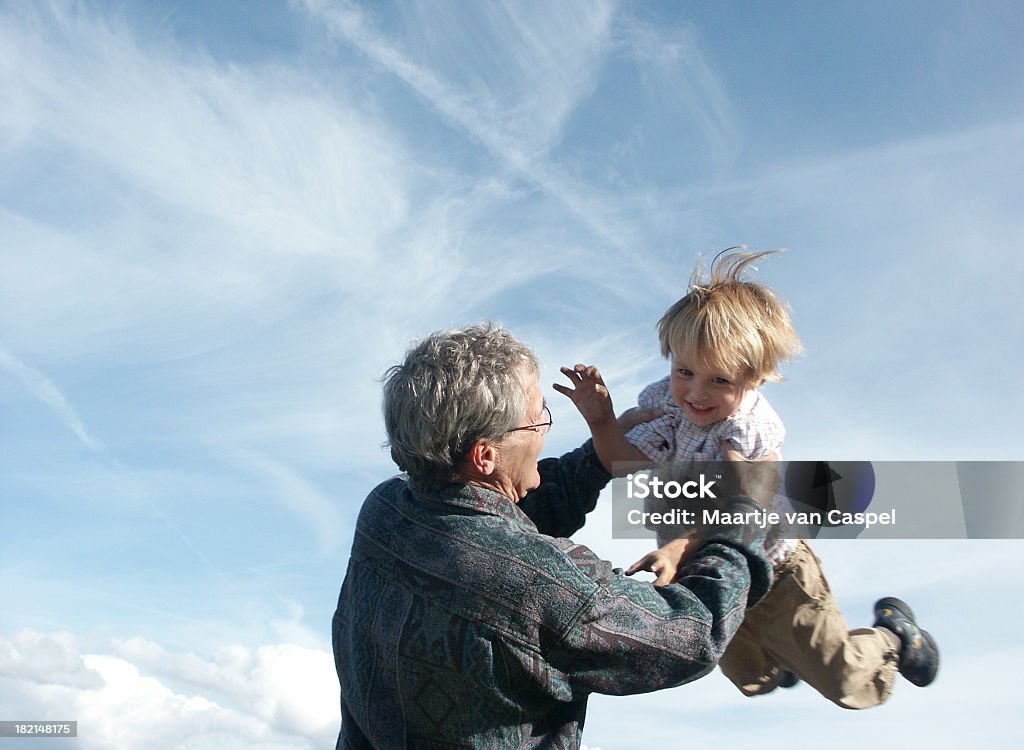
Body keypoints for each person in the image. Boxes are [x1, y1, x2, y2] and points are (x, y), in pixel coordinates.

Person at [332, 323, 778, 749]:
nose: (545, 430)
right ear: (485, 455)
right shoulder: (546, 587)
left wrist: (602, 450)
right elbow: (693, 634)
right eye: (537, 419)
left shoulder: (386, 511)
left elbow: (497, 524)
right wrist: (745, 511)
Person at [609, 249, 939, 709]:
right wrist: (604, 421)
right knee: (749, 678)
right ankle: (781, 661)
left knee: (846, 682)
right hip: (708, 570)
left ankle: (894, 637)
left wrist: (676, 546)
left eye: (720, 380)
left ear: (756, 379)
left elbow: (740, 506)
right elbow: (623, 460)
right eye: (685, 371)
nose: (696, 393)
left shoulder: (747, 431)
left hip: (774, 569)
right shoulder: (666, 402)